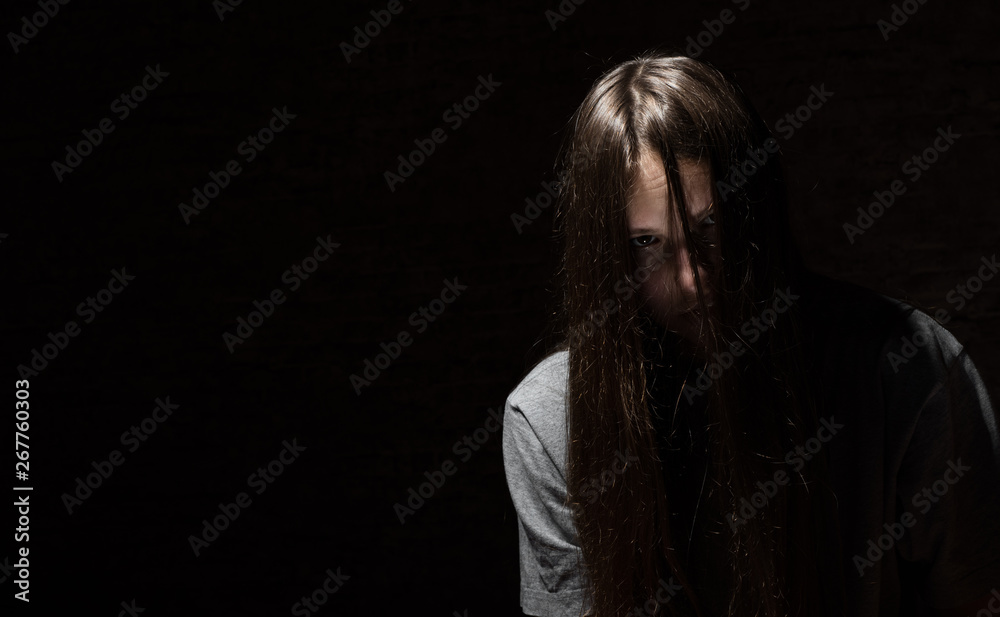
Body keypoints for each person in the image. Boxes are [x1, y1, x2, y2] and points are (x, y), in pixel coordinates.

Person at [501, 52, 1000, 617]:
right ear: (604, 255)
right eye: (647, 242)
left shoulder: (912, 372)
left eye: (711, 224)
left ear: (756, 206)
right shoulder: (549, 422)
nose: (692, 279)